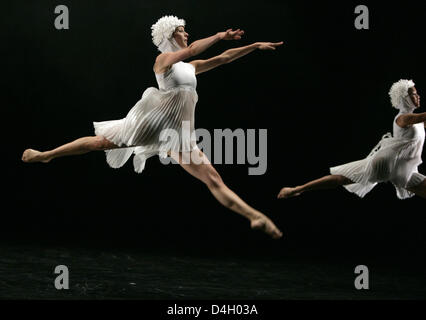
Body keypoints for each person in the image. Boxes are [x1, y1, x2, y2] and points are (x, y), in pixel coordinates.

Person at [22, 15, 283, 239]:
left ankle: (254, 216)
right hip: (154, 122)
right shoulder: (163, 60)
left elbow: (224, 58)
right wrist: (218, 35)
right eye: (181, 30)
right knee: (100, 143)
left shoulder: (190, 68)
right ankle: (46, 155)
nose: (186, 32)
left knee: (212, 178)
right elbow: (192, 49)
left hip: (178, 134)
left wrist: (254, 46)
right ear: (169, 35)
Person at [278, 79, 426, 200]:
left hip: (403, 170)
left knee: (341, 180)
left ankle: (296, 190)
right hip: (386, 164)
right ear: (404, 99)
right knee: (340, 179)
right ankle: (297, 189)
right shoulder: (403, 118)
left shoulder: (416, 121)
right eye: (413, 94)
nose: (418, 96)